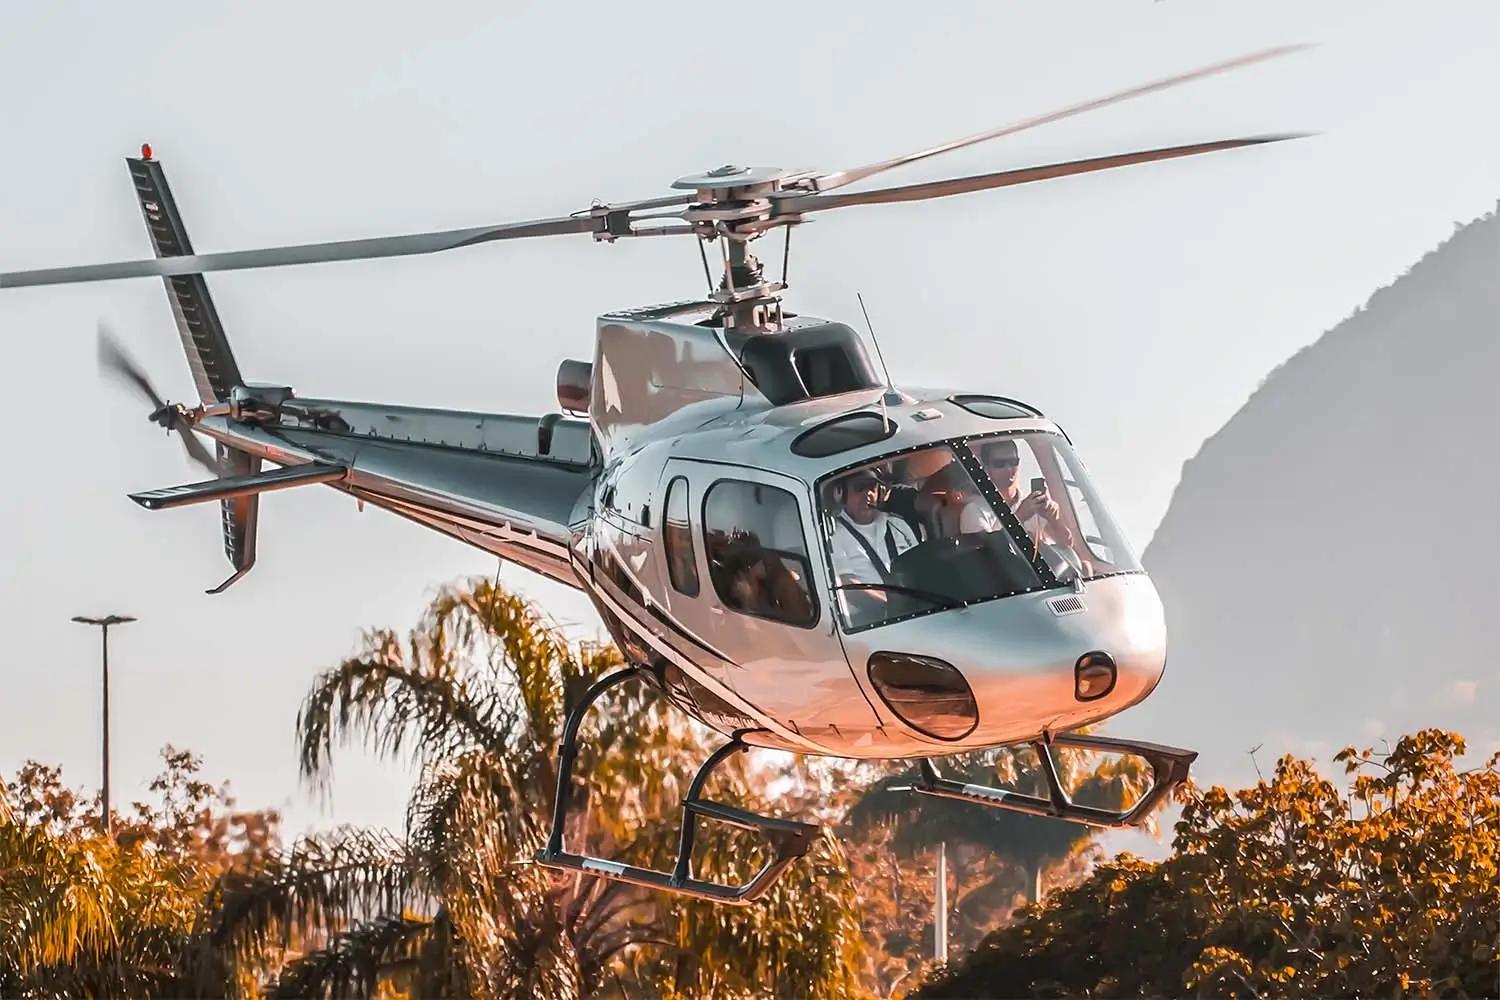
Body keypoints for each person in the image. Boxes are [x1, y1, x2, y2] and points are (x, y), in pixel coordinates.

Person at [963, 439, 1075, 548]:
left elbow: (1066, 543)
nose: (1008, 469)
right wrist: (1020, 516)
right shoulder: (973, 510)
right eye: (1000, 464)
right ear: (986, 468)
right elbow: (987, 553)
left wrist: (1054, 520)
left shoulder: (1032, 503)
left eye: (1013, 462)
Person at [826, 467, 918, 587]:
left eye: (872, 487)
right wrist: (890, 602)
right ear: (841, 494)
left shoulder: (898, 525)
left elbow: (920, 567)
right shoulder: (834, 535)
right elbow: (848, 585)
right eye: (859, 488)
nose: (868, 494)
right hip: (871, 606)